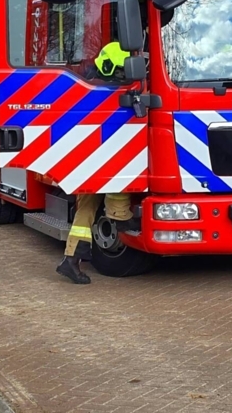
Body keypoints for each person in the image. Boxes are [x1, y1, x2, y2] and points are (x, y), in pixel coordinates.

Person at [56, 40, 135, 284]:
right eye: (122, 71)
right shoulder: (102, 90)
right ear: (112, 67)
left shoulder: (88, 85)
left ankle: (71, 261)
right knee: (110, 192)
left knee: (87, 210)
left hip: (89, 161)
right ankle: (121, 221)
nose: (125, 77)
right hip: (97, 160)